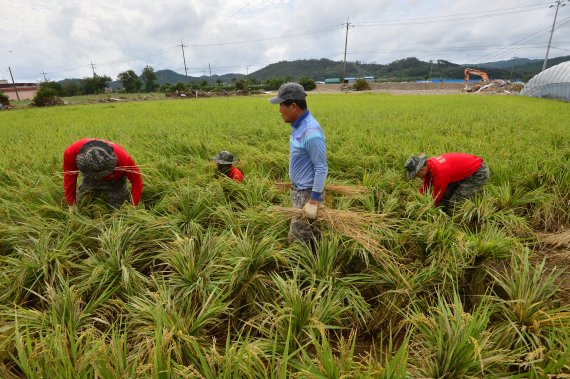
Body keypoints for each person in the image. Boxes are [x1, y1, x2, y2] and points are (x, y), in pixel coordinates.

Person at [269, 82, 328, 246]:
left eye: (282, 105)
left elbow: (321, 167)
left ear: (293, 106)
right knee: (313, 235)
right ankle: (316, 262)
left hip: (307, 195)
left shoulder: (310, 132)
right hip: (300, 191)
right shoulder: (299, 126)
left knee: (296, 240)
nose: (280, 110)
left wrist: (313, 200)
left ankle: (299, 268)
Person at [63, 139, 143, 212]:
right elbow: (70, 177)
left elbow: (137, 181)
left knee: (118, 209)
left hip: (115, 179)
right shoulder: (71, 153)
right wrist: (71, 203)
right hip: (90, 177)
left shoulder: (123, 158)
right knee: (82, 204)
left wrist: (133, 206)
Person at [405, 152, 490, 213]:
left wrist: (426, 209)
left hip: (478, 172)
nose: (416, 177)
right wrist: (417, 197)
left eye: (416, 175)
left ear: (421, 170)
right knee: (445, 196)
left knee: (455, 203)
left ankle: (456, 219)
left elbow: (436, 196)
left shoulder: (440, 171)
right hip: (463, 172)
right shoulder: (429, 165)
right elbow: (426, 183)